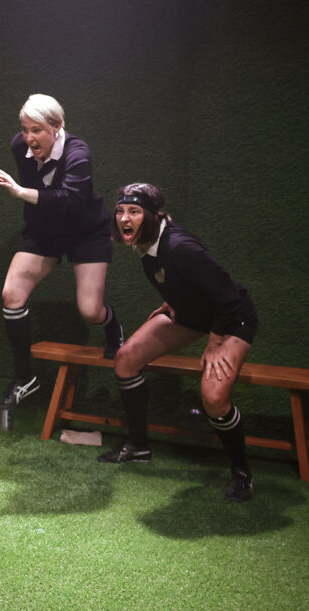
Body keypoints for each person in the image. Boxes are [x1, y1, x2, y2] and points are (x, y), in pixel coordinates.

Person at [99, 183, 258, 502]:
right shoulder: (147, 245)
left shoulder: (180, 246)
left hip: (232, 318)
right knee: (126, 358)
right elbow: (175, 280)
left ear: (153, 215)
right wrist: (172, 301)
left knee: (213, 397)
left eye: (134, 211)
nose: (124, 218)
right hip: (191, 313)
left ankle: (242, 473)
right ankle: (139, 446)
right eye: (120, 211)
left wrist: (214, 344)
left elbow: (226, 295)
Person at [0, 93, 123, 410]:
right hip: (44, 231)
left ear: (57, 126)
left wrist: (19, 192)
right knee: (11, 294)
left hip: (85, 231)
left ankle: (112, 326)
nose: (28, 138)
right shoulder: (19, 147)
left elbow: (68, 200)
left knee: (90, 310)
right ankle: (25, 378)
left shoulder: (78, 152)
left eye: (36, 130)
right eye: (24, 129)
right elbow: (45, 195)